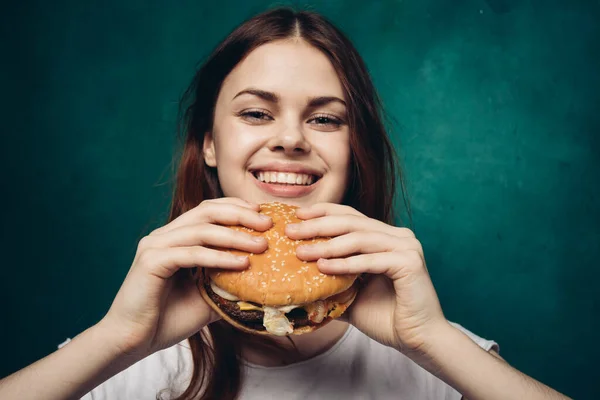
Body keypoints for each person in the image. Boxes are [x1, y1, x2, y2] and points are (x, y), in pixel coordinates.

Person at [0, 7, 570, 400]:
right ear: (209, 144)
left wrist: (433, 341)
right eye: (255, 113)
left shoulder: (434, 354)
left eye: (325, 119)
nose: (291, 139)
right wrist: (119, 341)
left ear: (354, 151)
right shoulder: (124, 357)